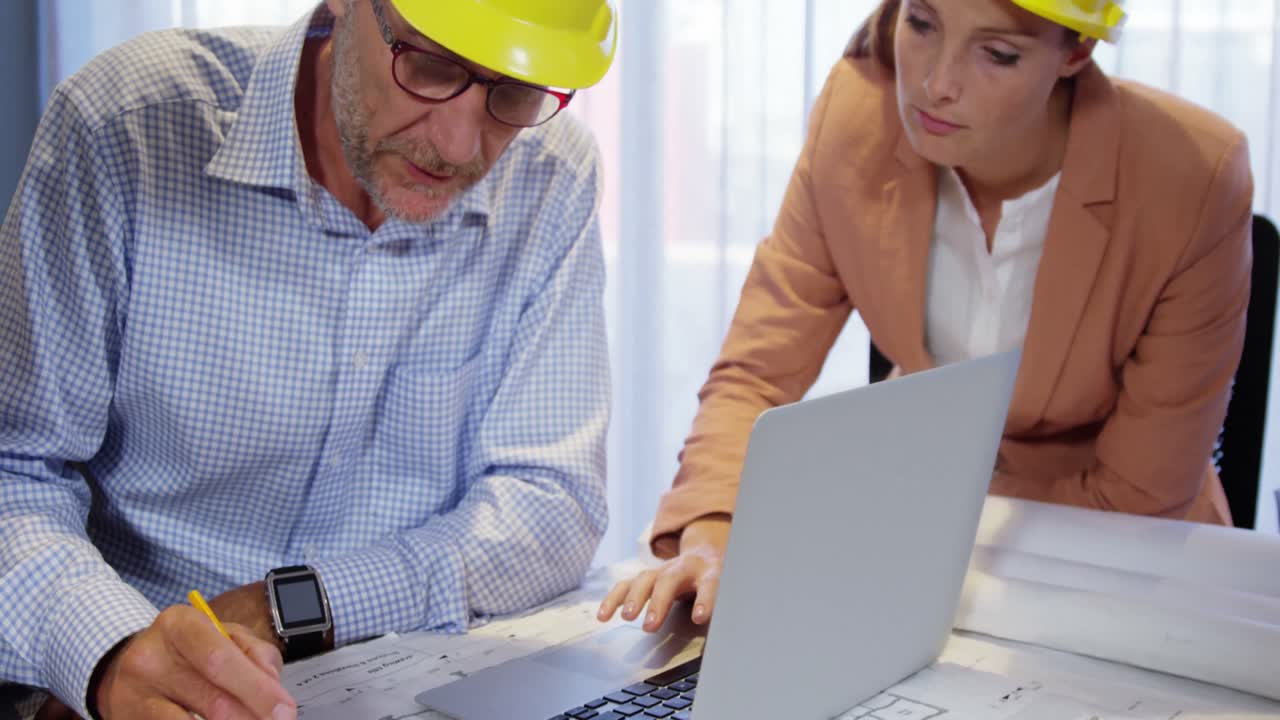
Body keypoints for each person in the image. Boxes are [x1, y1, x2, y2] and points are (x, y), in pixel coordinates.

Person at [0, 0, 617, 717]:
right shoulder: (126, 126)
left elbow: (552, 502)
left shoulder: (552, 173)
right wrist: (109, 653)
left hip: (402, 684)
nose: (456, 146)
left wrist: (291, 607)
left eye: (514, 92)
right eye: (428, 66)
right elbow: (14, 472)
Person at [599, 0, 1253, 634]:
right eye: (921, 22)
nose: (936, 83)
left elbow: (1138, 496)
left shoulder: (1193, 174)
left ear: (1076, 51)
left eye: (998, 54)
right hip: (913, 541)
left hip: (1118, 568)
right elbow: (757, 374)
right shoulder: (859, 113)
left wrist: (897, 536)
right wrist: (713, 530)